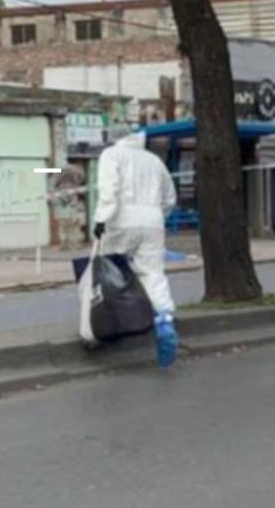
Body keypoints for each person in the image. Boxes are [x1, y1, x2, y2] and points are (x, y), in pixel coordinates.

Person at [93, 124, 180, 367]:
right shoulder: (154, 160)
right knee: (152, 272)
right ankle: (163, 319)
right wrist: (156, 216)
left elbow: (109, 190)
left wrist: (101, 219)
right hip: (152, 221)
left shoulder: (112, 155)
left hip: (120, 219)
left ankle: (117, 323)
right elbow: (170, 197)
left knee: (113, 271)